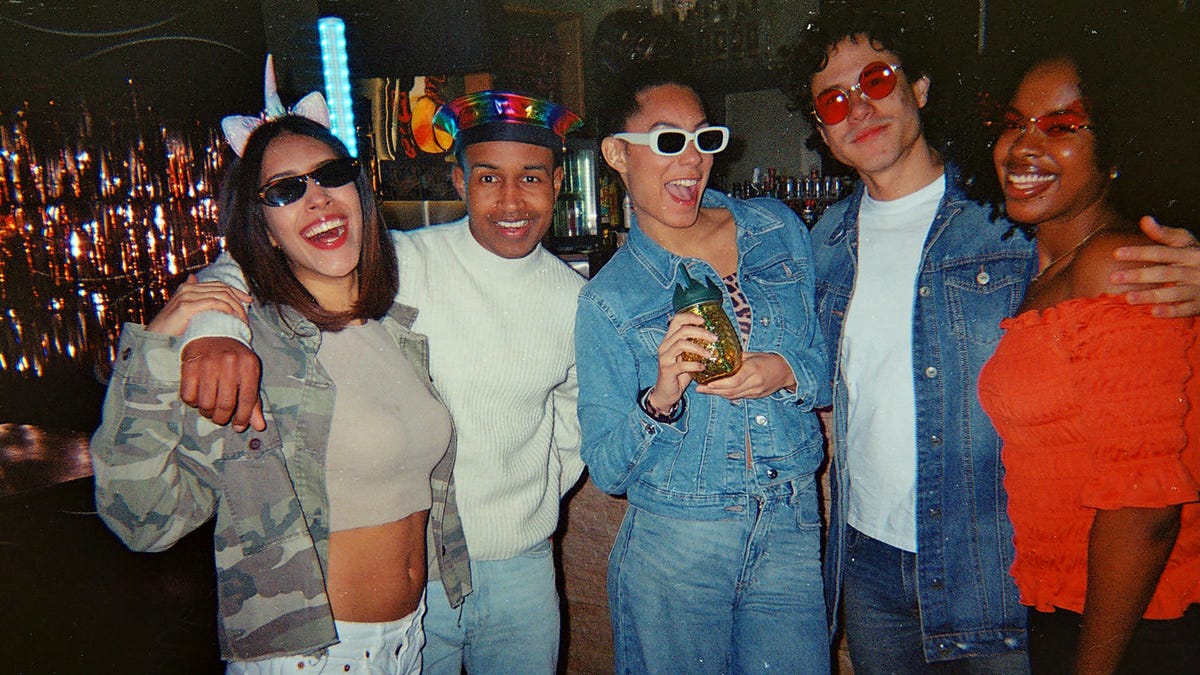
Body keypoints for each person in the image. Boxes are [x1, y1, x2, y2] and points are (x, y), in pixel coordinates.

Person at [789, 6, 1200, 673]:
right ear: (820, 130)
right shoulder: (822, 242)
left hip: (990, 572)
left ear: (919, 86)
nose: (858, 107)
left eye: (876, 79)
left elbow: (1108, 267)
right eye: (834, 100)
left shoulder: (1008, 214)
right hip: (866, 564)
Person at [172, 90, 586, 675]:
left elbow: (575, 413)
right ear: (458, 181)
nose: (511, 200)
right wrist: (215, 327)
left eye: (532, 178)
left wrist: (540, 492)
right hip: (426, 560)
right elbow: (259, 251)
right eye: (488, 177)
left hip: (523, 565)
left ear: (559, 182)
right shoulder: (398, 262)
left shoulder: (575, 299)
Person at [90, 88, 469, 673]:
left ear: (359, 192)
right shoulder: (253, 348)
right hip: (310, 656)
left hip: (408, 638)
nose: (316, 198)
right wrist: (160, 345)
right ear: (263, 229)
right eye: (285, 190)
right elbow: (144, 518)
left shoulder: (394, 331)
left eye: (331, 175)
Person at [577, 64, 830, 674]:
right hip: (679, 542)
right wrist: (662, 395)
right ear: (617, 153)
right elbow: (609, 467)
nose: (691, 160)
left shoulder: (776, 229)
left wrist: (785, 371)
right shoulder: (611, 299)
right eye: (668, 141)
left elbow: (827, 364)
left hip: (790, 523)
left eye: (703, 138)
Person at [976, 39, 1200, 674]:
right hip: (1074, 609)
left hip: (1133, 629)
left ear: (1117, 148)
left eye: (1063, 127)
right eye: (1013, 124)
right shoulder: (1051, 272)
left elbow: (1143, 509)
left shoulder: (1116, 264)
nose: (1023, 147)